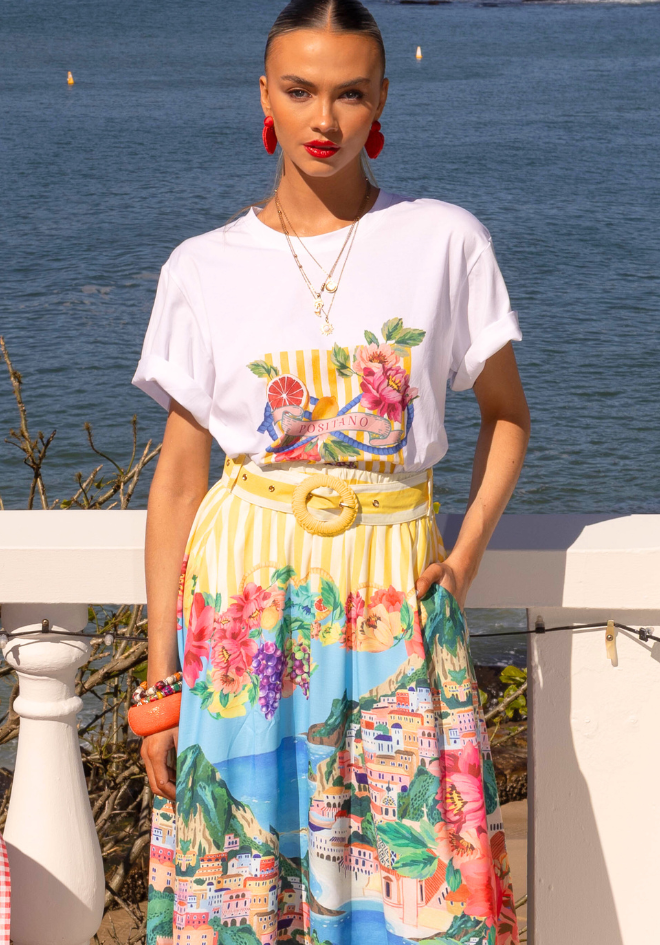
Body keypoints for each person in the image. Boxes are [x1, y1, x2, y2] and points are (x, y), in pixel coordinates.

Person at [131, 1, 530, 942]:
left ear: (382, 97)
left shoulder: (445, 239)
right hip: (244, 614)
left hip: (394, 593)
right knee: (243, 883)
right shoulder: (201, 266)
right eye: (301, 90)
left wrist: (465, 557)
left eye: (350, 93)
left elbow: (507, 416)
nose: (325, 119)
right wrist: (160, 678)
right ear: (264, 95)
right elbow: (180, 481)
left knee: (413, 881)